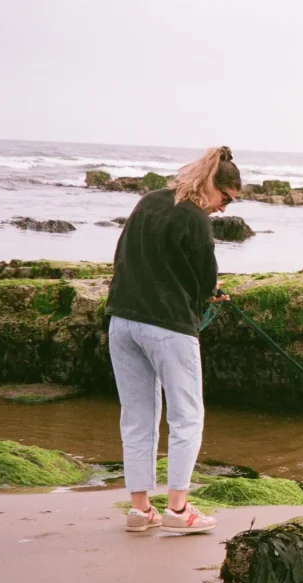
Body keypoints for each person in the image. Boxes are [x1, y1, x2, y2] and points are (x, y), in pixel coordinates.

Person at [105, 146, 241, 534]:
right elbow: (205, 281)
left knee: (137, 417)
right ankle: (178, 512)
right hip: (167, 327)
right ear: (212, 185)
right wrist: (212, 294)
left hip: (122, 320)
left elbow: (123, 256)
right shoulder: (195, 220)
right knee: (187, 416)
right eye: (226, 198)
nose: (224, 208)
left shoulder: (149, 201)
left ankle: (139, 510)